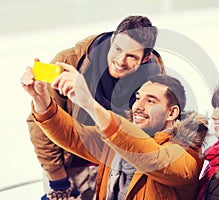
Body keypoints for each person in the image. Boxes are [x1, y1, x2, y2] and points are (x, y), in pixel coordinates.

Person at [21, 60, 208, 200]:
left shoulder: (185, 157)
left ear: (172, 113)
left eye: (150, 100)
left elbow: (151, 157)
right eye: (138, 97)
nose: (138, 106)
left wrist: (88, 103)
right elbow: (73, 136)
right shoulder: (118, 142)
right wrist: (41, 99)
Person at [26, 15, 165, 199]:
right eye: (117, 49)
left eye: (132, 56)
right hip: (70, 168)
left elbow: (152, 129)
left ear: (146, 57)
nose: (120, 60)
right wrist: (56, 176)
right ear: (113, 39)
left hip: (115, 170)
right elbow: (40, 121)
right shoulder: (69, 61)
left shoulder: (153, 74)